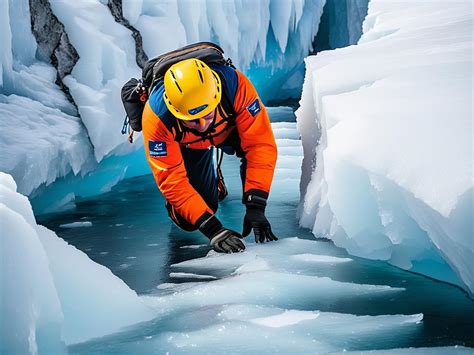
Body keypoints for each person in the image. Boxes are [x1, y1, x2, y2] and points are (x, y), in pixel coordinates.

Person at [142, 58, 278, 253]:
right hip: (188, 145)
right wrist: (212, 228)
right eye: (193, 120)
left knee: (252, 146)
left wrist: (256, 205)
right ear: (175, 111)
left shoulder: (236, 87)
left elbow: (260, 146)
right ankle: (208, 180)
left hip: (228, 130)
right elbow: (171, 178)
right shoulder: (157, 117)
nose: (203, 125)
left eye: (206, 115)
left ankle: (212, 175)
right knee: (189, 220)